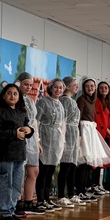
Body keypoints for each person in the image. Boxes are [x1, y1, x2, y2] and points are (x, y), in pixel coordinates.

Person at [0, 83, 33, 220]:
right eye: (9, 93)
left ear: (19, 97)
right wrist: (14, 133)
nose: (12, 96)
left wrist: (29, 130)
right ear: (3, 96)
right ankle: (5, 212)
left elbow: (28, 127)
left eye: (15, 94)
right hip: (6, 153)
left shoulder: (21, 111)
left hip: (20, 153)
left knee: (17, 185)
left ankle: (12, 210)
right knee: (6, 183)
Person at [15, 72, 46, 216]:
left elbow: (34, 122)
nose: (28, 87)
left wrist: (37, 141)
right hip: (20, 137)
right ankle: (17, 203)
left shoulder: (31, 101)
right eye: (25, 84)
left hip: (32, 138)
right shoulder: (16, 98)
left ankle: (29, 202)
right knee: (19, 172)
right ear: (19, 83)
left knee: (34, 171)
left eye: (30, 85)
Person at [36, 78, 66, 210]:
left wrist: (63, 141)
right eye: (56, 87)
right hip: (45, 137)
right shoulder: (43, 102)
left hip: (56, 140)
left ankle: (47, 198)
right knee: (43, 170)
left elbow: (62, 124)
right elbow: (36, 121)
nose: (58, 90)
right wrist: (37, 140)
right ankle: (40, 200)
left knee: (51, 171)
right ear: (51, 88)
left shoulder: (60, 104)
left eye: (61, 88)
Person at [58, 76, 81, 207]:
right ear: (67, 86)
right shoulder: (65, 100)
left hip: (73, 133)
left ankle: (71, 193)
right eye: (74, 84)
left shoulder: (72, 100)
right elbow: (63, 119)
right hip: (67, 133)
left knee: (72, 164)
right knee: (65, 164)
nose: (76, 87)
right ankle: (61, 195)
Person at [95, 81, 110, 194]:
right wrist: (107, 130)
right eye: (101, 88)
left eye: (106, 88)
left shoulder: (108, 102)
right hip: (100, 133)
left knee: (100, 161)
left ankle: (97, 184)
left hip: (105, 134)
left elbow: (108, 119)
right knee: (96, 161)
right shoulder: (97, 101)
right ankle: (94, 184)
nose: (103, 90)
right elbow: (98, 120)